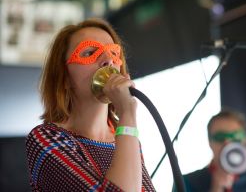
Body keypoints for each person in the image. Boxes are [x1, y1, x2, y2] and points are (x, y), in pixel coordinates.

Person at [25, 18, 155, 192]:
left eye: (113, 53)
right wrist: (127, 113)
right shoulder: (45, 139)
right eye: (89, 53)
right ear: (64, 78)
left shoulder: (125, 136)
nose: (108, 60)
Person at [173, 109, 246, 192]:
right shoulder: (186, 183)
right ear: (210, 142)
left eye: (235, 137)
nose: (227, 144)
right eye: (220, 137)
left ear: (245, 141)